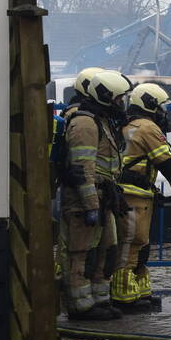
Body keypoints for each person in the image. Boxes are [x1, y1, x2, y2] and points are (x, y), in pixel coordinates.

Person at [112, 83, 171, 311]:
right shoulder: (147, 128)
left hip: (135, 194)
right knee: (132, 243)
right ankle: (123, 298)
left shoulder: (130, 125)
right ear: (149, 106)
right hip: (133, 196)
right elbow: (166, 164)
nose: (163, 114)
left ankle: (138, 292)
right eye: (160, 108)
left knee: (140, 244)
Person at [58, 69, 132, 320]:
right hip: (85, 200)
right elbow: (83, 169)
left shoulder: (99, 119)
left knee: (105, 252)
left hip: (103, 197)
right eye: (119, 98)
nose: (122, 103)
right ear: (105, 97)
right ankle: (81, 307)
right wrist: (90, 205)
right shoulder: (85, 123)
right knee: (80, 254)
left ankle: (100, 301)